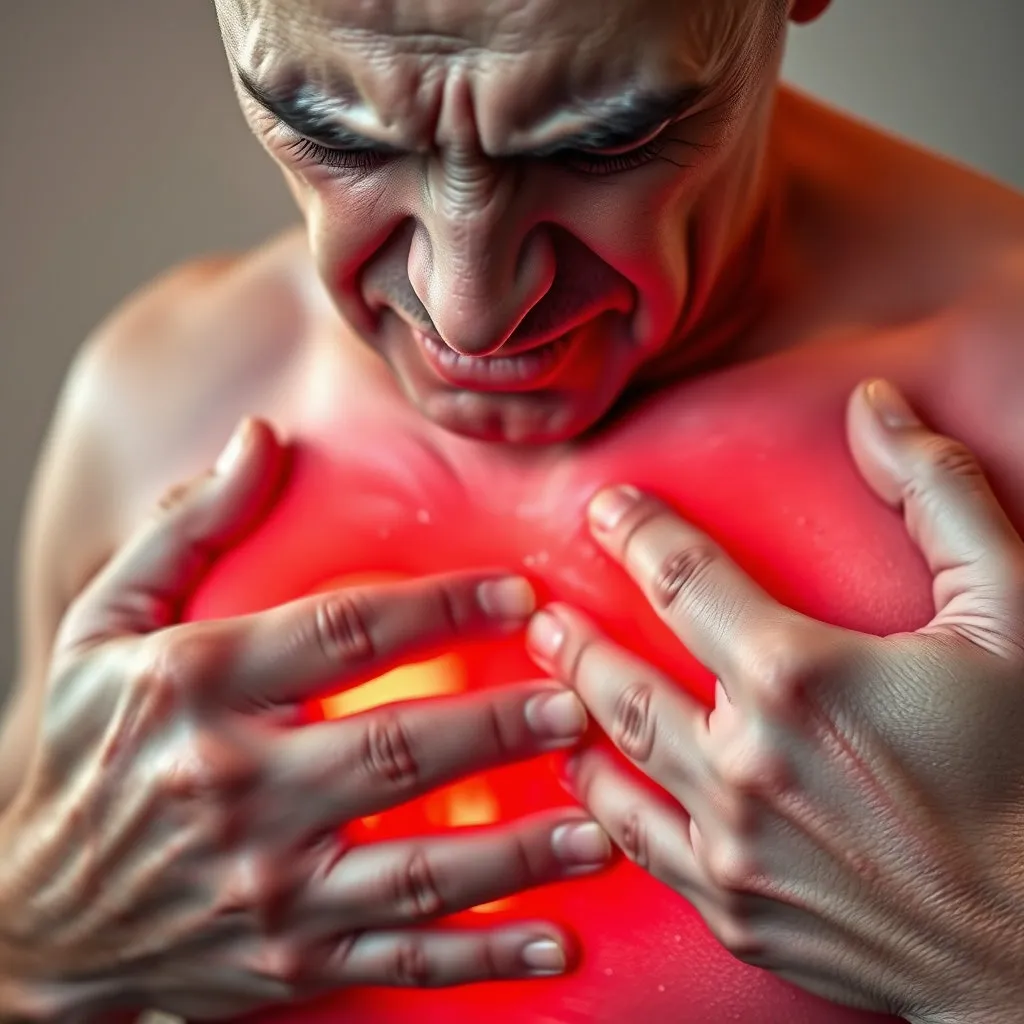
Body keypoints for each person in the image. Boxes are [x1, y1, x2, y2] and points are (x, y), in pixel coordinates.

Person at [1, 0, 1024, 1021]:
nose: (467, 312)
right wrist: (43, 954)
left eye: (608, 139)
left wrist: (993, 954)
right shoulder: (153, 405)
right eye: (327, 131)